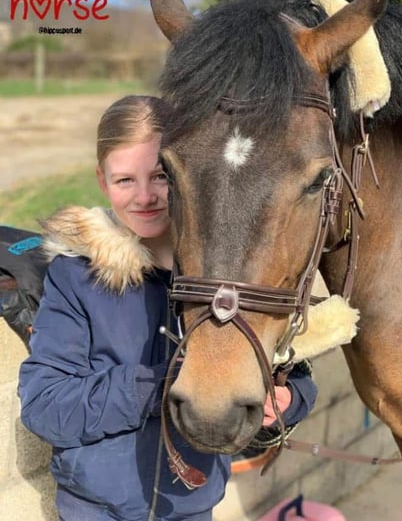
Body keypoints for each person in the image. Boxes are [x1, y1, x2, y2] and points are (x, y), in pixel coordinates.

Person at [18, 95, 318, 521]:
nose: (145, 197)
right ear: (102, 181)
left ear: (186, 171)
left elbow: (294, 371)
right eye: (125, 180)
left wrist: (290, 399)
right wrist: (160, 384)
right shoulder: (76, 276)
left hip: (191, 505)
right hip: (96, 511)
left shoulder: (227, 269)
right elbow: (45, 406)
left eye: (159, 176)